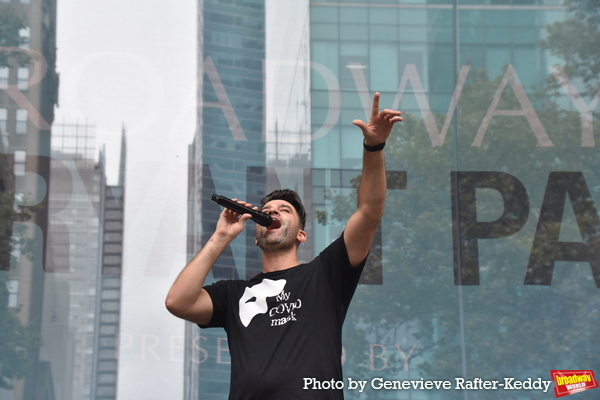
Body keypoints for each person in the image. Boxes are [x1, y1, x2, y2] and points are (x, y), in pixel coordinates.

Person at [165, 93, 402, 399]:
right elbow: (178, 303)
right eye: (270, 209)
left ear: (301, 235)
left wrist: (374, 147)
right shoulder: (233, 294)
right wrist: (222, 235)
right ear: (257, 235)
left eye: (284, 210)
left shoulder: (326, 275)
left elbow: (369, 210)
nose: (274, 211)